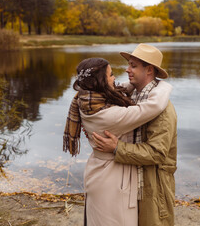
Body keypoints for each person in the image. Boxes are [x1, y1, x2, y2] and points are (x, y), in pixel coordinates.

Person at [63, 57, 172, 226]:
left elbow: (119, 89)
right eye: (111, 75)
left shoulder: (87, 98)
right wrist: (164, 85)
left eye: (133, 66)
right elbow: (153, 107)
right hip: (111, 179)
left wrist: (138, 83)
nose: (116, 78)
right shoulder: (109, 115)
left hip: (98, 172)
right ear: (100, 82)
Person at [93, 44, 178, 226]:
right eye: (129, 64)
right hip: (134, 183)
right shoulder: (133, 97)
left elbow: (157, 153)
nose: (127, 69)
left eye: (133, 65)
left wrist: (117, 148)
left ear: (149, 70)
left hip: (154, 187)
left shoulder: (162, 109)